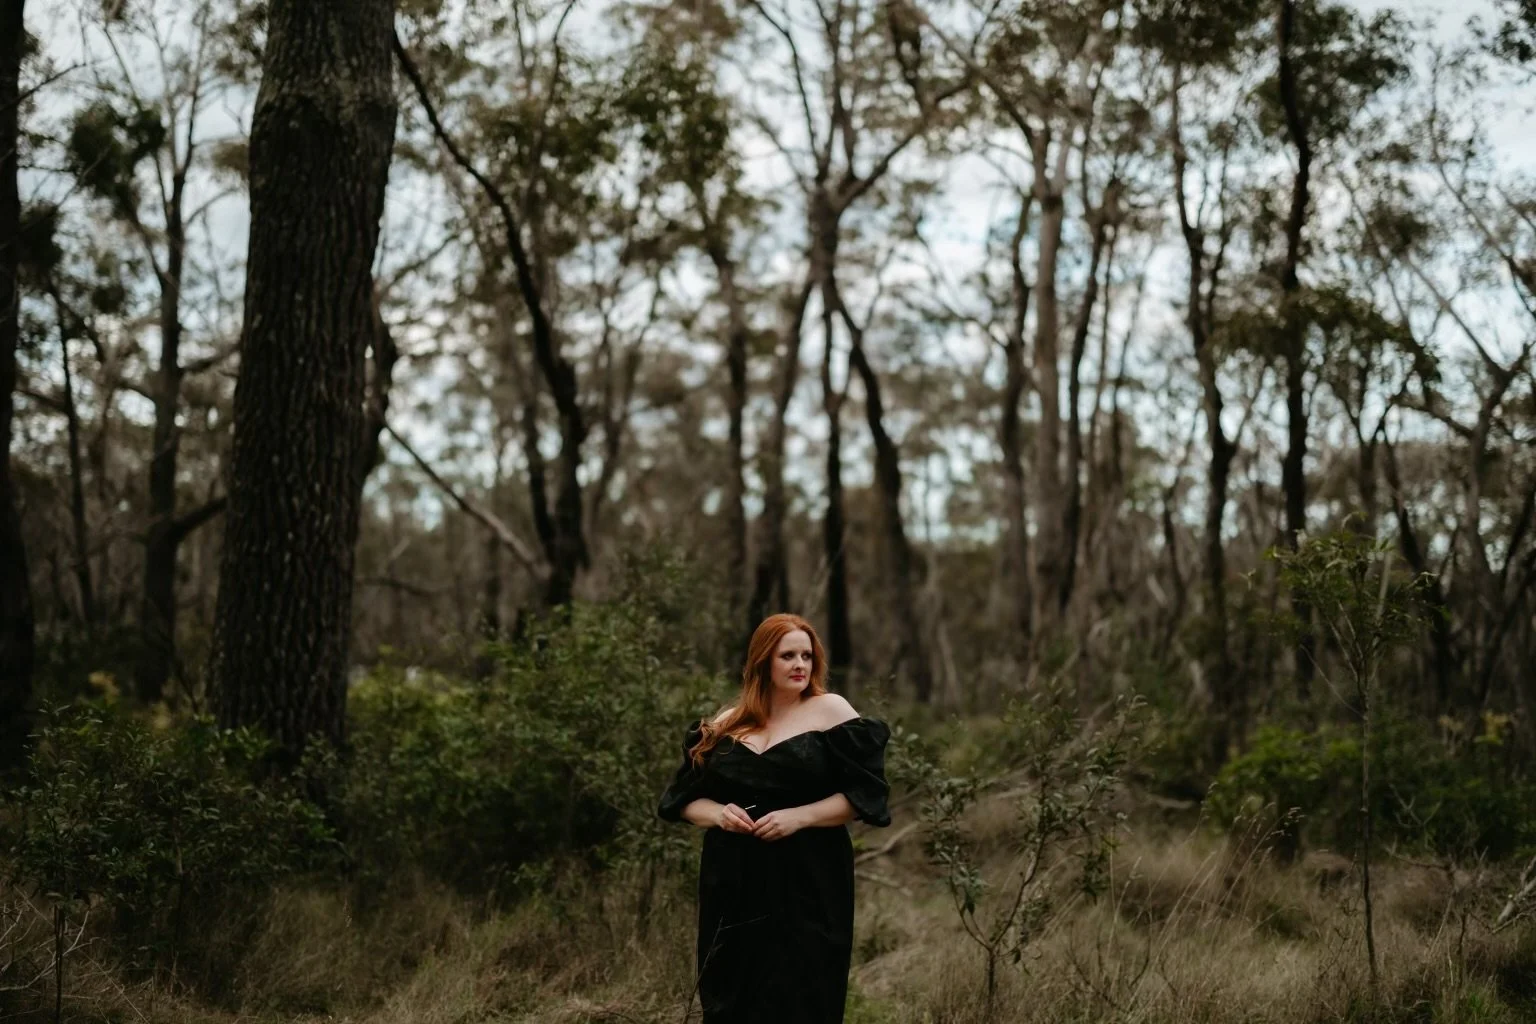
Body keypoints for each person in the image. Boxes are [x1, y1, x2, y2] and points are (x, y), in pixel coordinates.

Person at [657, 613, 892, 1023]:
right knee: (732, 994)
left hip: (809, 879)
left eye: (807, 655)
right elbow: (682, 801)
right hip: (733, 880)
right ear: (763, 661)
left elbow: (865, 797)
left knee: (803, 993)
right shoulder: (726, 723)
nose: (800, 664)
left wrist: (799, 817)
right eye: (788, 656)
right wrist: (719, 813)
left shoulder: (831, 711)